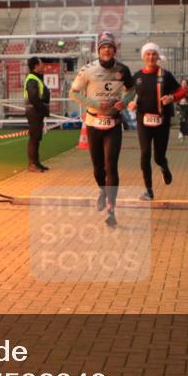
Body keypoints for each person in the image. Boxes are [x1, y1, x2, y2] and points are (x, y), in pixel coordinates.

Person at [69, 31, 134, 228]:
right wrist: (94, 103)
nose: (107, 50)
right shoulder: (88, 69)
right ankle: (103, 191)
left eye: (110, 47)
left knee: (111, 165)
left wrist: (124, 101)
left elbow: (131, 91)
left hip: (113, 123)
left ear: (114, 50)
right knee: (98, 168)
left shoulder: (123, 69)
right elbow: (73, 93)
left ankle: (111, 209)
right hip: (94, 123)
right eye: (103, 47)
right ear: (99, 50)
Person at [128, 43, 186, 201]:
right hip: (143, 121)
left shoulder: (165, 75)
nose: (151, 57)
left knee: (158, 156)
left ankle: (164, 166)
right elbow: (128, 94)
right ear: (143, 57)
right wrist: (130, 104)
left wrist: (172, 98)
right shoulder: (137, 76)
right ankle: (148, 189)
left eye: (154, 54)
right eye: (148, 54)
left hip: (162, 121)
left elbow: (182, 90)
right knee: (145, 153)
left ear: (158, 57)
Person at [23, 56, 51, 172]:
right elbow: (34, 97)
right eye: (41, 63)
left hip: (36, 110)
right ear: (35, 66)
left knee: (37, 137)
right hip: (34, 111)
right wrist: (44, 109)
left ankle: (37, 163)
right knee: (34, 137)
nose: (43, 65)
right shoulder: (32, 79)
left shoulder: (35, 78)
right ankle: (32, 164)